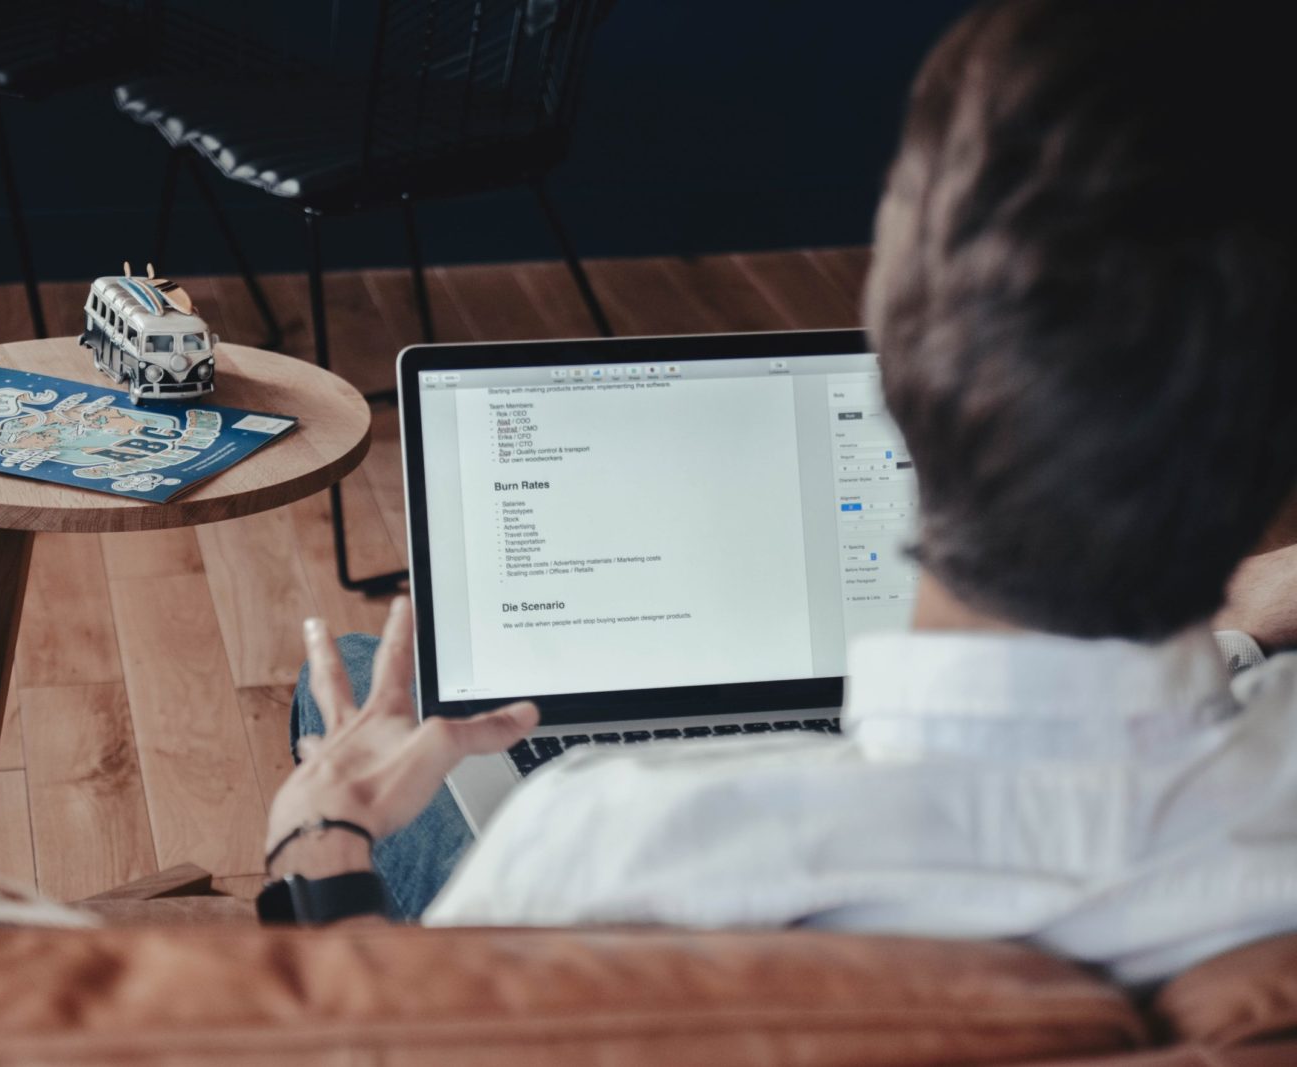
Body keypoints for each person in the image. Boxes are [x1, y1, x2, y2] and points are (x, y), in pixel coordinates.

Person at [269, 0, 1297, 987]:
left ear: (889, 370)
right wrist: (1235, 634)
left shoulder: (606, 840)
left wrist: (322, 851)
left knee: (355, 683)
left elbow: (397, 1034)